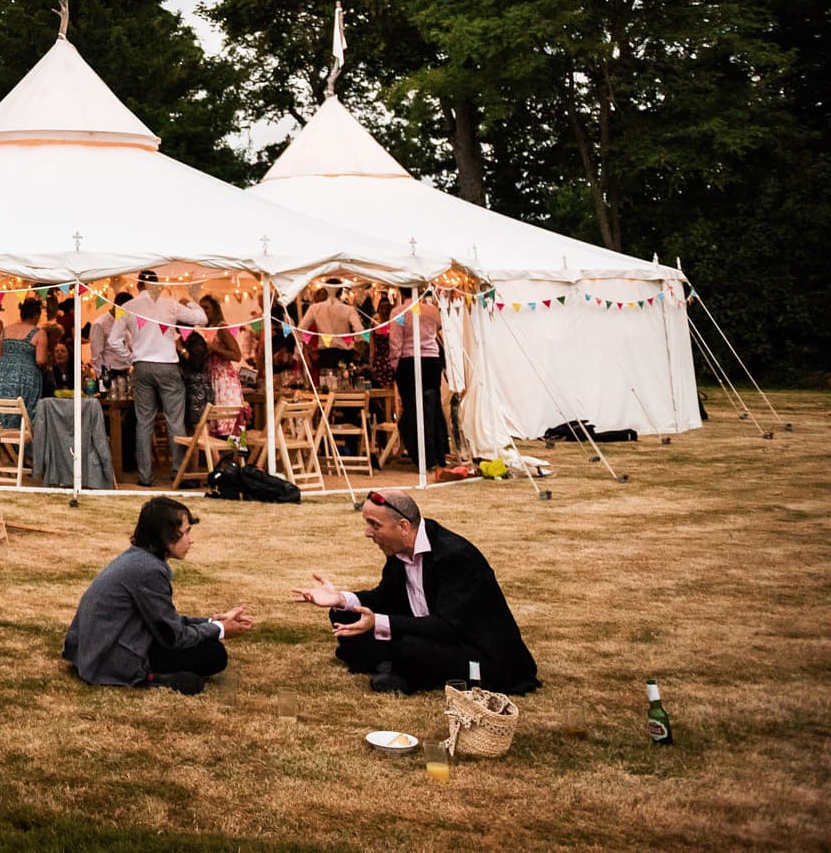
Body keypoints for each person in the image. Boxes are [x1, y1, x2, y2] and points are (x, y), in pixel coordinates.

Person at [294, 488, 539, 695]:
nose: (368, 533)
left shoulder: (455, 557)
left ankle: (399, 670)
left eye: (374, 525)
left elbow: (448, 627)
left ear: (403, 526)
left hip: (474, 650)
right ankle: (394, 666)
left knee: (409, 645)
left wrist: (379, 622)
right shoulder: (398, 549)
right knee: (344, 616)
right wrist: (341, 599)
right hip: (427, 631)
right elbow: (386, 598)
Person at [62, 497, 255, 693]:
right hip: (109, 659)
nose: (191, 539)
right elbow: (173, 635)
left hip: (94, 651)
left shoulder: (138, 558)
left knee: (206, 645)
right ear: (166, 535)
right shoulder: (148, 570)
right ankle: (154, 678)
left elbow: (163, 621)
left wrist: (212, 621)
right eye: (186, 532)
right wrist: (219, 629)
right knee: (212, 654)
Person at [121, 271, 189, 487]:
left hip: (141, 366)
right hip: (167, 364)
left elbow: (115, 340)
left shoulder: (129, 306)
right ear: (158, 285)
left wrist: (131, 358)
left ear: (138, 285)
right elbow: (201, 319)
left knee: (144, 422)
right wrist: (194, 301)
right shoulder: (170, 304)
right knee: (175, 420)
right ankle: (179, 472)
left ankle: (145, 476)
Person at [393, 295, 449, 469]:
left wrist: (395, 365)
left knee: (412, 408)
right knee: (433, 406)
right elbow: (441, 327)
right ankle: (439, 453)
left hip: (409, 360)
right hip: (432, 360)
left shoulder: (399, 311)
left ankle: (424, 455)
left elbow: (395, 342)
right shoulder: (432, 311)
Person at [0, 298, 44, 423]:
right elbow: (40, 360)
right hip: (26, 376)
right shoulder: (39, 333)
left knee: (3, 407)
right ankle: (22, 440)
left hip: (3, 373)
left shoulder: (6, 330)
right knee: (24, 410)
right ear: (36, 315)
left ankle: (2, 437)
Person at [201, 296, 250, 430]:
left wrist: (215, 349)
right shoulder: (205, 329)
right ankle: (219, 450)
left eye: (206, 307)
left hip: (224, 380)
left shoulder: (221, 328)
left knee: (230, 421)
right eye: (201, 308)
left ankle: (237, 449)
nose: (203, 311)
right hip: (212, 378)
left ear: (215, 310)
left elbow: (236, 355)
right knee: (216, 421)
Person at [303, 283, 365, 372]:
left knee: (326, 383)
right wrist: (357, 342)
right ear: (340, 292)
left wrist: (309, 348)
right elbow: (359, 329)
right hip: (345, 353)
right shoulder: (349, 309)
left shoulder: (314, 308)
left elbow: (301, 328)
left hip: (325, 354)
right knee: (345, 383)